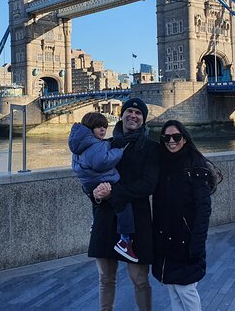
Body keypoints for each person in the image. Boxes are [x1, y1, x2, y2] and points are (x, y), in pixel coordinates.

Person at [89, 98, 160, 311]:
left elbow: (148, 184)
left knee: (139, 280)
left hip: (136, 220)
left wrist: (114, 191)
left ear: (144, 119)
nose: (133, 116)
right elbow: (93, 178)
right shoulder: (106, 144)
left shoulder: (151, 148)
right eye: (129, 111)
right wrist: (97, 194)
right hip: (105, 218)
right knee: (105, 279)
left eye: (138, 113)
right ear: (122, 114)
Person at [152, 120, 217, 311]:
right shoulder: (163, 163)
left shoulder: (196, 167)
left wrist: (196, 243)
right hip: (165, 240)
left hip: (185, 240)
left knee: (186, 290)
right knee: (173, 289)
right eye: (166, 137)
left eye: (176, 137)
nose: (171, 141)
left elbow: (204, 209)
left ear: (185, 138)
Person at [69, 112, 137, 262]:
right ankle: (125, 240)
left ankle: (94, 223)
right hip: (103, 180)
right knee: (123, 205)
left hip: (89, 183)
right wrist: (119, 151)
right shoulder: (95, 145)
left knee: (98, 205)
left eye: (105, 127)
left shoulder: (80, 143)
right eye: (99, 127)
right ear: (90, 128)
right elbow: (102, 162)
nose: (103, 130)